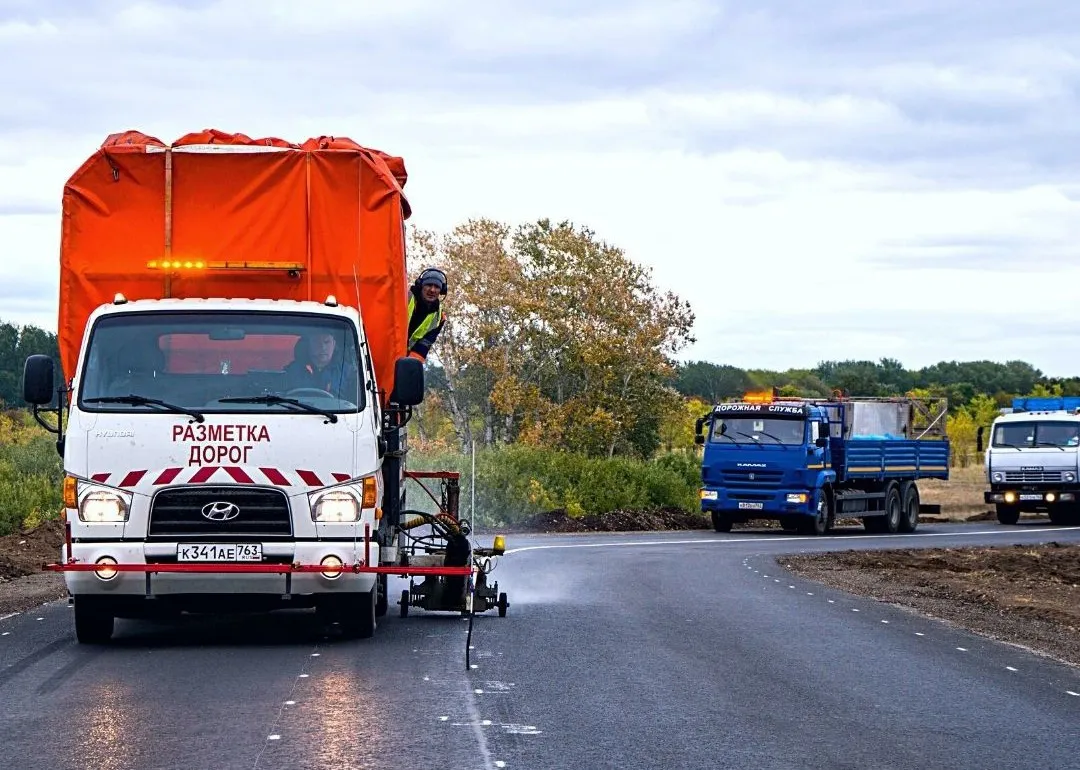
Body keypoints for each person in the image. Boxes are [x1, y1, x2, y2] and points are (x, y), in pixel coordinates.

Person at [284, 331, 357, 399]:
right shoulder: (292, 371)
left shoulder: (348, 373)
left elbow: (354, 404)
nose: (322, 347)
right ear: (308, 345)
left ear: (334, 345)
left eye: (327, 342)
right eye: (316, 342)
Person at [406, 267, 447, 362]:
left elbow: (423, 347)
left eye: (437, 287)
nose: (432, 290)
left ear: (441, 291)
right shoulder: (405, 298)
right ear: (421, 286)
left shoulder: (439, 317)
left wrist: (410, 368)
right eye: (429, 285)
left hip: (403, 360)